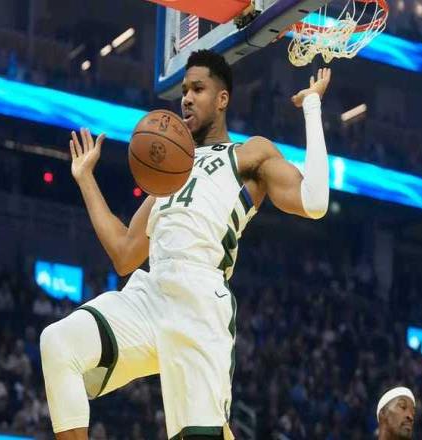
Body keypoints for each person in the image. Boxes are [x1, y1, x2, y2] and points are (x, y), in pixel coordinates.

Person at [40, 49, 331, 440]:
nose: (187, 99)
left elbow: (315, 201)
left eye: (198, 89)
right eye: (184, 91)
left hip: (200, 300)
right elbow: (124, 254)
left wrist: (312, 107)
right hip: (151, 292)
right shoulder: (168, 173)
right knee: (58, 343)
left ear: (222, 99)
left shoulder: (248, 153)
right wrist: (85, 179)